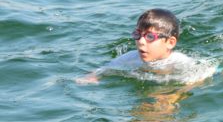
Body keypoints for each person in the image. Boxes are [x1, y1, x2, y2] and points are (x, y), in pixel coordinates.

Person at [77, 8, 214, 84]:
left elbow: (204, 74)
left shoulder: (179, 61)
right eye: (138, 35)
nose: (141, 41)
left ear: (170, 42)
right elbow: (105, 69)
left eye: (149, 37)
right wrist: (92, 76)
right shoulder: (130, 57)